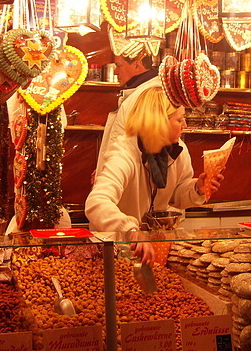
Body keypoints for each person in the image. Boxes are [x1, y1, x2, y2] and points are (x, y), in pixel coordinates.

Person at [85, 86, 223, 265]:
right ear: (160, 122)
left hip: (151, 248)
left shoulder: (178, 151)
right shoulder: (124, 152)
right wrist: (130, 230)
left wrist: (197, 188)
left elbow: (175, 194)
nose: (185, 125)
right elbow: (97, 202)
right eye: (180, 119)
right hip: (114, 251)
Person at [94, 52, 161, 179]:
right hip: (120, 173)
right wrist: (105, 167)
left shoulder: (149, 95)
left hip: (126, 178)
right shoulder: (139, 91)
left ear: (137, 65)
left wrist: (110, 172)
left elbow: (140, 147)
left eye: (119, 66)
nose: (115, 72)